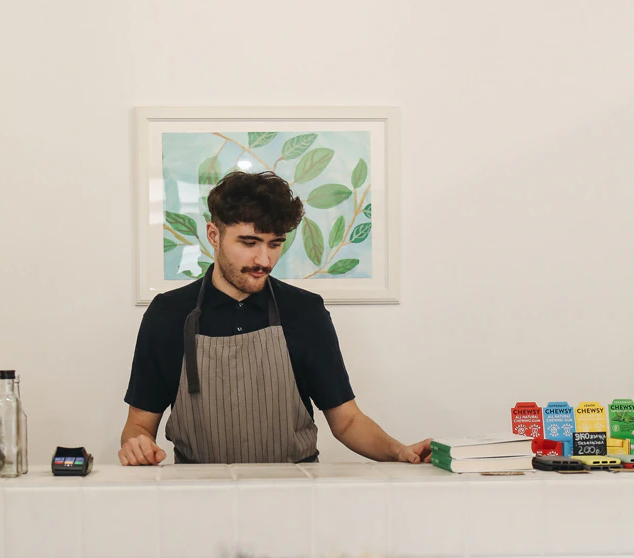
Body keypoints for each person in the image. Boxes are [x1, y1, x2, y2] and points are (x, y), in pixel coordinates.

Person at [120, 170, 431, 466]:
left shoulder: (305, 312)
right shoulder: (168, 314)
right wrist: (137, 444)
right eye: (249, 242)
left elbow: (347, 421)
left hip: (295, 491)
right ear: (213, 235)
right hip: (200, 490)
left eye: (275, 244)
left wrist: (399, 451)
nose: (264, 260)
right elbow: (138, 424)